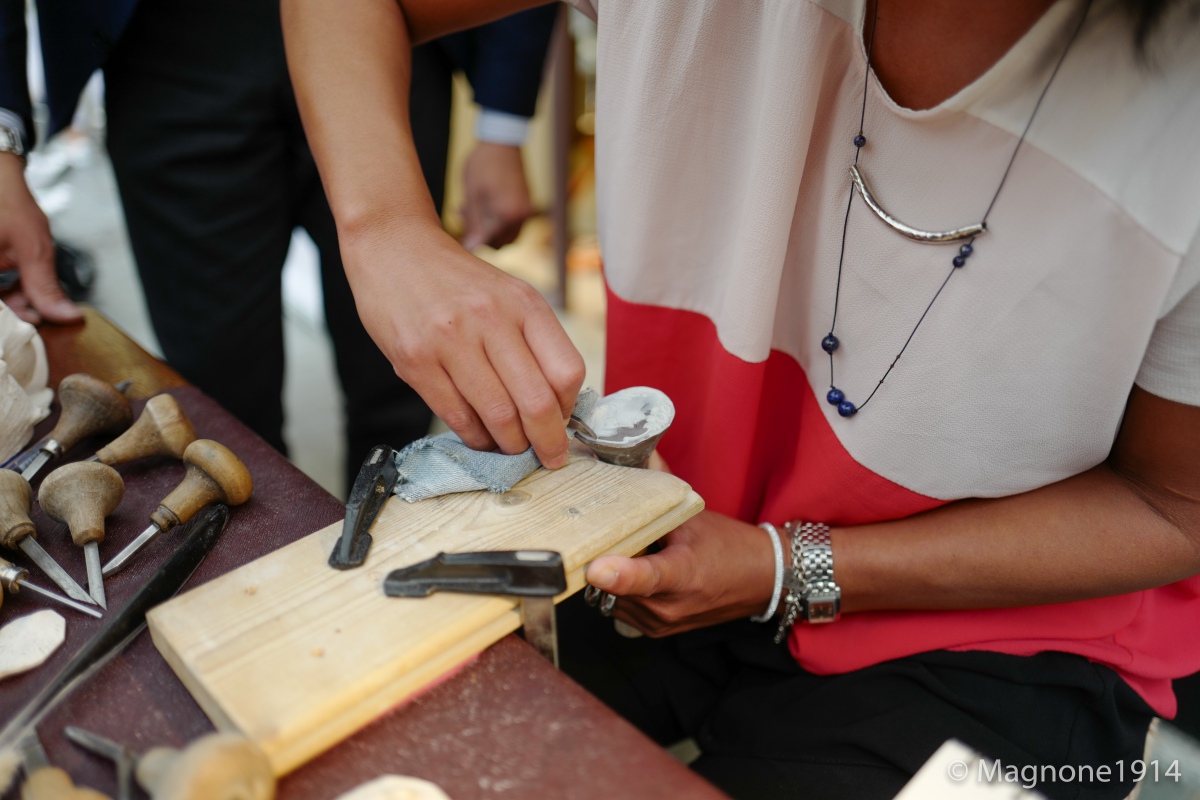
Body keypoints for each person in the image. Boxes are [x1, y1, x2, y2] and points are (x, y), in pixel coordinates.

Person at [282, 0, 1200, 797]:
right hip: (670, 518)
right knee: (346, 729)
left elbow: (1175, 505)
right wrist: (387, 228)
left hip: (1007, 637)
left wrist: (782, 568)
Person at [0, 0, 557, 488]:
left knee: (408, 375)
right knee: (224, 397)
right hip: (167, 49)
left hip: (397, 40)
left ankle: (398, 535)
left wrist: (503, 123)